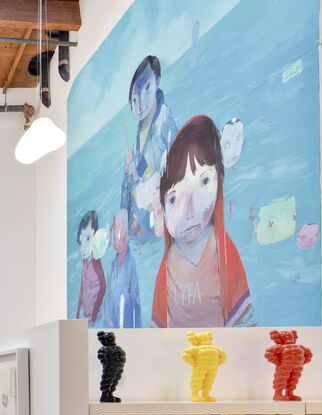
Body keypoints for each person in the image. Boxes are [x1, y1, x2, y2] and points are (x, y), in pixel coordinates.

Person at [151, 115, 254, 327]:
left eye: (204, 181)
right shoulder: (168, 263)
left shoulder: (222, 251)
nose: (188, 211)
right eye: (173, 199)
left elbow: (244, 322)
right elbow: (157, 329)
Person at [121, 56, 177, 249]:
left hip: (167, 211)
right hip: (148, 221)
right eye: (134, 99)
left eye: (146, 88)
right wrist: (132, 173)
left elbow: (175, 163)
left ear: (157, 82)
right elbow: (140, 179)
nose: (140, 104)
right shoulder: (136, 142)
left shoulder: (164, 118)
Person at [103, 209, 141, 328]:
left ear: (126, 236)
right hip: (110, 324)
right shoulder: (112, 264)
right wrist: (107, 317)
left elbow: (136, 302)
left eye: (119, 237)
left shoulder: (131, 265)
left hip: (125, 324)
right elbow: (107, 295)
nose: (116, 241)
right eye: (114, 237)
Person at [75, 210, 106, 326]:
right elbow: (82, 287)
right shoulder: (84, 262)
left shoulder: (96, 262)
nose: (83, 248)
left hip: (96, 317)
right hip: (86, 316)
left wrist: (94, 316)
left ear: (96, 236)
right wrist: (78, 312)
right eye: (80, 241)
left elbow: (103, 286)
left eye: (88, 239)